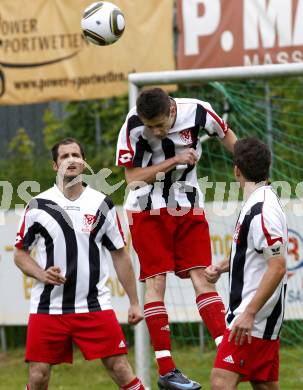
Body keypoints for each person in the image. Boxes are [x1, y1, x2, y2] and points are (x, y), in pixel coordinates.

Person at [116, 88, 237, 390]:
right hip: (145, 208)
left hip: (186, 204)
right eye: (151, 127)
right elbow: (131, 180)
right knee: (157, 283)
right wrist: (174, 161)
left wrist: (251, 173)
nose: (155, 132)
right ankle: (167, 370)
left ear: (172, 109)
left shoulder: (197, 110)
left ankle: (229, 355)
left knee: (203, 278)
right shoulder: (133, 124)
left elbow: (227, 137)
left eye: (160, 125)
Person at [14, 138, 145, 390]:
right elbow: (20, 255)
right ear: (55, 166)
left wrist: (134, 302)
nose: (71, 160)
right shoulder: (37, 206)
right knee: (38, 375)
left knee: (120, 368)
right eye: (64, 156)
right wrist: (42, 275)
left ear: (84, 163)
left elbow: (120, 254)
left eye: (76, 155)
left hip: (93, 305)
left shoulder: (101, 204)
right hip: (47, 307)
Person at [206, 137, 288, 390]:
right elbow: (254, 254)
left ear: (236, 170)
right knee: (264, 385)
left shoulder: (263, 210)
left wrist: (249, 313)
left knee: (220, 382)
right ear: (268, 166)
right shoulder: (258, 203)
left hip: (252, 320)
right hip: (259, 319)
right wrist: (222, 266)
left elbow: (278, 265)